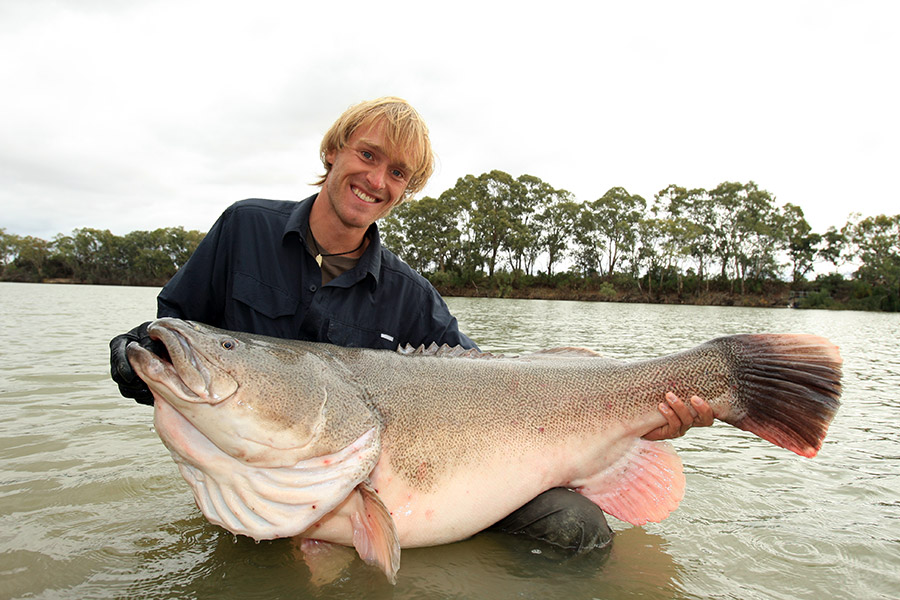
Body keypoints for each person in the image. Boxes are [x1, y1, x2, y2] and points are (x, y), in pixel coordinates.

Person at [110, 96, 713, 554]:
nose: (376, 179)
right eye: (367, 155)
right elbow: (173, 331)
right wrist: (133, 355)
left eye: (396, 172)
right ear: (334, 152)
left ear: (406, 189)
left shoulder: (411, 296)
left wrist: (650, 413)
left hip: (382, 479)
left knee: (575, 531)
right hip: (256, 474)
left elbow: (489, 383)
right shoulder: (244, 229)